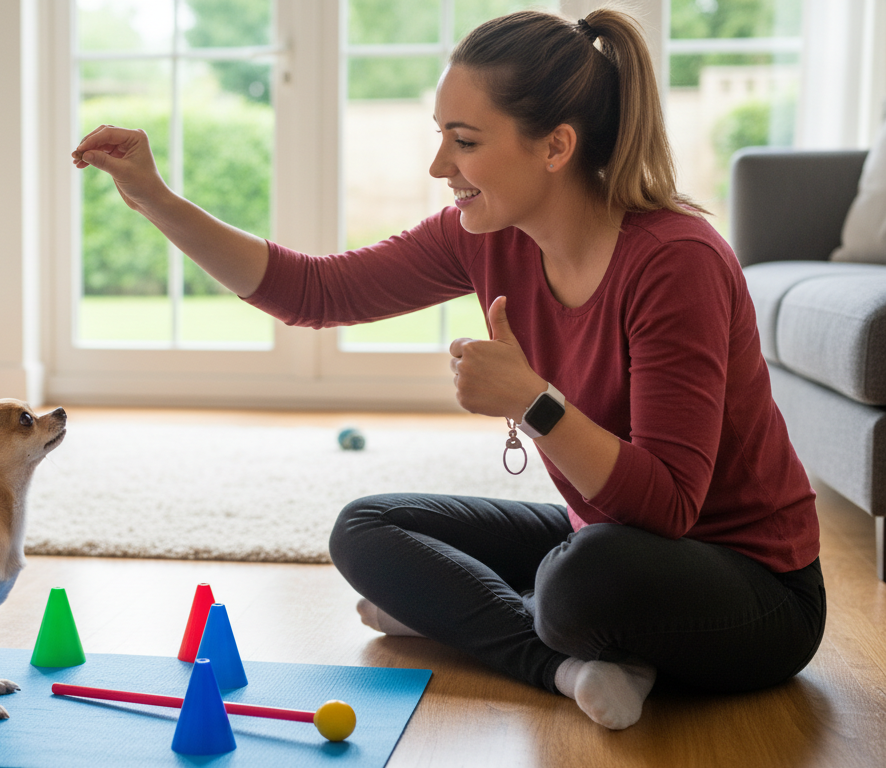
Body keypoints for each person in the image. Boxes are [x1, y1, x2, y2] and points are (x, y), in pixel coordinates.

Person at [71, 8, 825, 730]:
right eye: (442, 136)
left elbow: (668, 508)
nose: (440, 166)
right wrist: (155, 198)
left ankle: (484, 617)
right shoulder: (485, 234)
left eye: (463, 141)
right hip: (601, 535)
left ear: (556, 146)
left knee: (579, 582)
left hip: (753, 589)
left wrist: (536, 402)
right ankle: (567, 668)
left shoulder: (675, 261)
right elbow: (314, 292)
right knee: (366, 530)